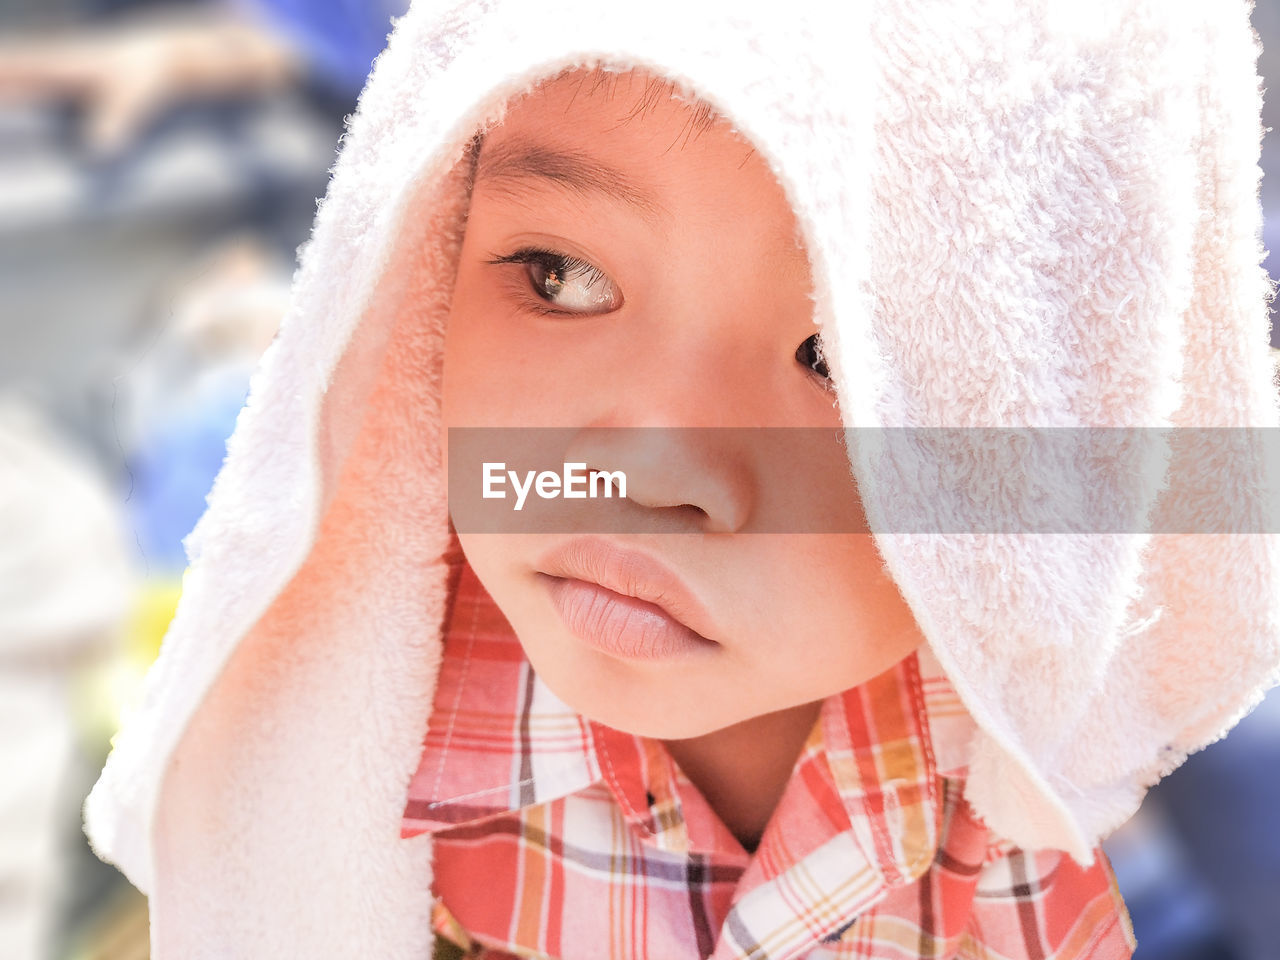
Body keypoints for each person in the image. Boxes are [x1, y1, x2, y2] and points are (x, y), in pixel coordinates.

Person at [82, 1, 1280, 958]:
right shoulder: (327, 760)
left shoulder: (1047, 771)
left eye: (848, 364)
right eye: (555, 275)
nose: (644, 473)